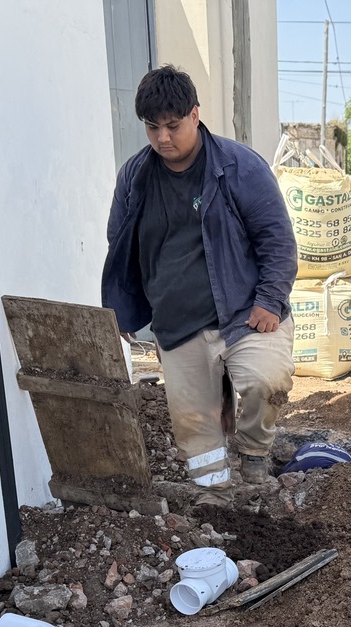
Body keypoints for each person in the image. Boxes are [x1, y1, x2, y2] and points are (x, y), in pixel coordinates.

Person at [102, 65, 296, 487]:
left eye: (172, 126)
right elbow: (120, 243)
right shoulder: (135, 177)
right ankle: (214, 494)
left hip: (246, 315)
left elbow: (278, 240)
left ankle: (253, 449)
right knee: (195, 427)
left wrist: (269, 300)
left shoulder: (240, 167)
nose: (162, 138)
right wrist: (126, 307)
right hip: (178, 325)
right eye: (152, 127)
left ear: (195, 114)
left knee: (267, 383)